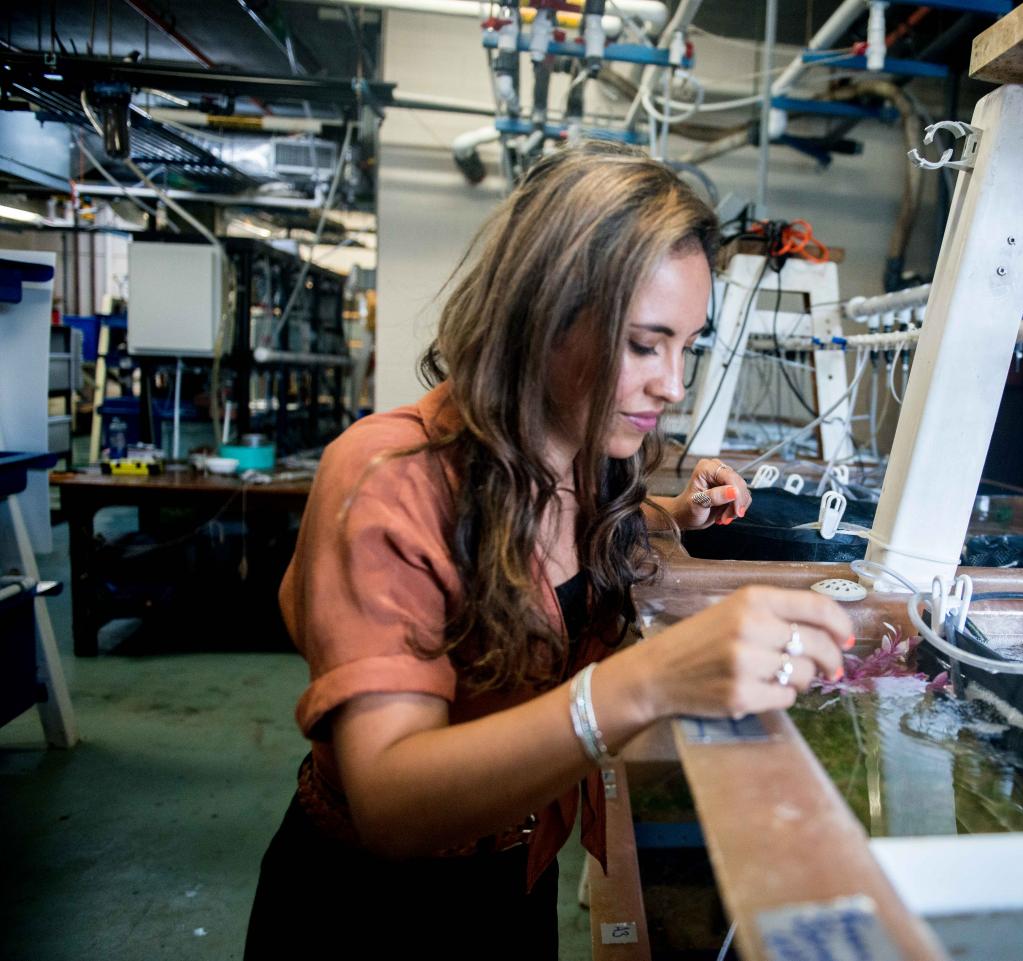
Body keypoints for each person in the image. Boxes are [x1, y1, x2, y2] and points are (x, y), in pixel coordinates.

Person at [244, 142, 853, 957]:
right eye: (644, 344)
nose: (673, 384)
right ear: (544, 313)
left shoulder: (586, 456)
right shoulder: (388, 478)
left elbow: (566, 545)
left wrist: (675, 513)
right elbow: (388, 798)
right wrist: (642, 682)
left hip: (514, 875)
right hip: (373, 912)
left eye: (687, 346)